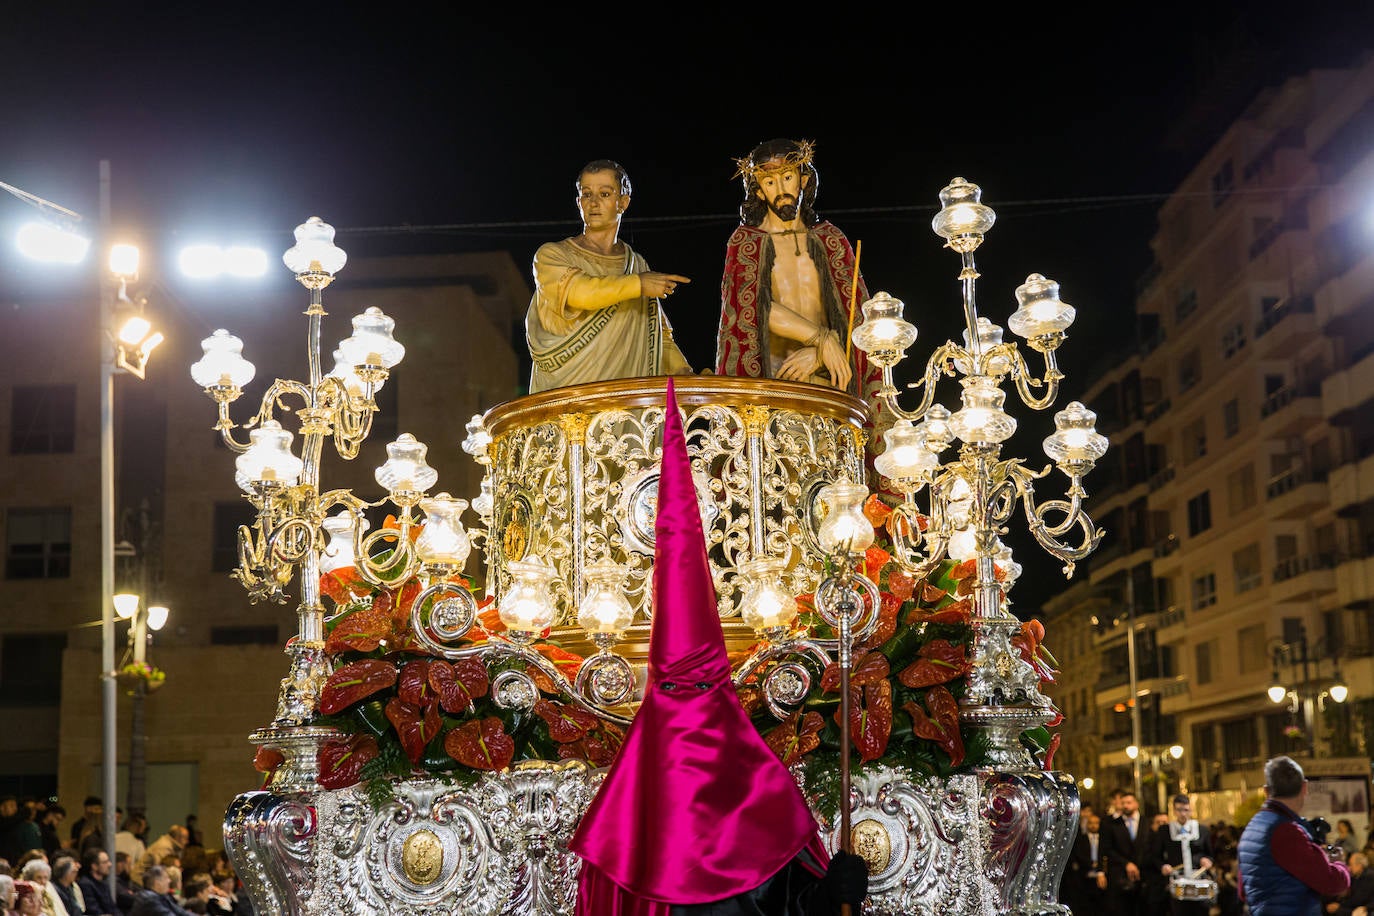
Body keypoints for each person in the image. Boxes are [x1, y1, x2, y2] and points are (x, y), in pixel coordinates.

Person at [569, 378, 868, 915]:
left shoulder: (764, 808)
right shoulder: (622, 838)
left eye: (703, 687)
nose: (690, 715)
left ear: (725, 691)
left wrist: (834, 894)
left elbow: (799, 906)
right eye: (675, 688)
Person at [716, 139, 881, 405]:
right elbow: (754, 308)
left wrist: (818, 354)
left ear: (803, 180)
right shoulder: (747, 243)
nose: (781, 189)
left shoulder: (831, 240)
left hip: (831, 389)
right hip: (777, 390)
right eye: (770, 182)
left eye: (788, 177)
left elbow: (857, 318)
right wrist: (821, 340)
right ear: (759, 192)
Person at [524, 159, 693, 394]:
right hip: (569, 397)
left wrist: (685, 373)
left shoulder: (636, 264)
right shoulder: (552, 255)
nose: (593, 203)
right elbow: (580, 292)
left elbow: (656, 335)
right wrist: (638, 284)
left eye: (604, 194)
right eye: (586, 194)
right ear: (578, 202)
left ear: (623, 202)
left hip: (625, 406)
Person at [1238, 755, 1350, 915]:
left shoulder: (1252, 827)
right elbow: (1332, 882)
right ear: (1305, 787)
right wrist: (1339, 863)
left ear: (1266, 791)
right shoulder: (1286, 831)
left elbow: (1244, 891)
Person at [1152, 794, 1214, 915]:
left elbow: (1210, 855)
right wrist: (1163, 866)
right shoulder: (1165, 830)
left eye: (1186, 810)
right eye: (1179, 810)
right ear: (1174, 811)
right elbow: (1155, 856)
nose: (1183, 814)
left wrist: (1208, 860)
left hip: (1198, 880)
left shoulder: (1202, 830)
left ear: (1191, 810)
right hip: (1177, 880)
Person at [1100, 789, 1150, 916]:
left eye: (1129, 802)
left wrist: (1138, 865)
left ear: (1136, 804)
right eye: (1123, 803)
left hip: (1144, 877)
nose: (1125, 805)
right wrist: (1127, 864)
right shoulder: (1111, 823)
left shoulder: (1146, 822)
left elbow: (1150, 848)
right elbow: (1107, 848)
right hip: (1120, 877)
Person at [1061, 810, 1106, 913]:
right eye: (1091, 823)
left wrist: (1099, 868)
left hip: (1100, 878)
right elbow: (1078, 855)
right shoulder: (1080, 839)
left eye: (1096, 823)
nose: (1093, 826)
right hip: (1083, 877)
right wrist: (1091, 864)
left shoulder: (1104, 839)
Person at [128, 867, 192, 916]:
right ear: (157, 883)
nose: (169, 881)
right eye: (166, 878)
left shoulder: (163, 895)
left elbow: (181, 912)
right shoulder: (149, 899)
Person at [75, 850, 116, 916]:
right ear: (94, 866)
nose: (110, 864)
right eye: (105, 862)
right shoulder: (85, 884)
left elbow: (113, 908)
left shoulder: (104, 884)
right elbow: (94, 911)